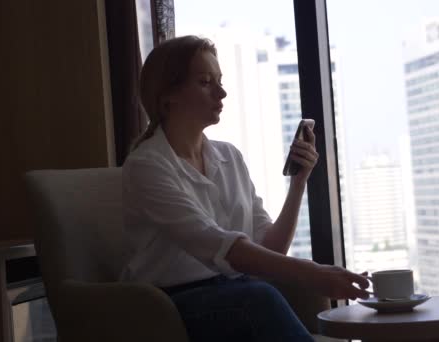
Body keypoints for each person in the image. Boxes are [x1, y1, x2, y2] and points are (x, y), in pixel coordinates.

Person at [120, 35, 369, 342]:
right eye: (205, 82)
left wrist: (298, 183)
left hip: (234, 288)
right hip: (168, 305)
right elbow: (220, 246)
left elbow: (271, 249)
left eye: (220, 81)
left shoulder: (229, 157)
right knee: (258, 297)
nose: (222, 92)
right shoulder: (148, 166)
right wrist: (312, 272)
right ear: (167, 96)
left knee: (259, 293)